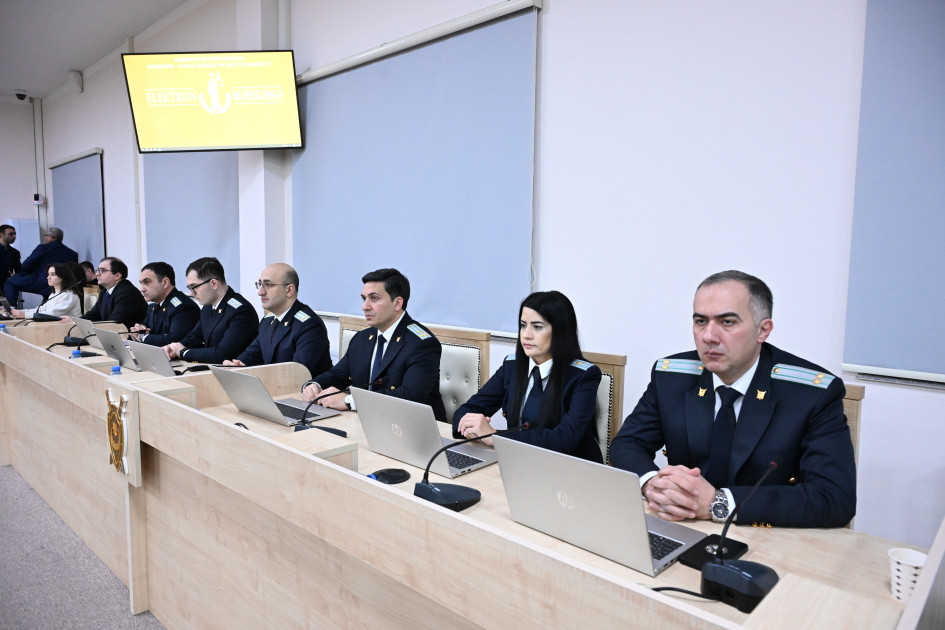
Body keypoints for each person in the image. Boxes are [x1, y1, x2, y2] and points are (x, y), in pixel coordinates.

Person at [609, 270, 856, 528]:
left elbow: (835, 498)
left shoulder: (812, 394)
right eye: (700, 321)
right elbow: (627, 443)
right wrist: (652, 484)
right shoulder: (671, 377)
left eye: (727, 322)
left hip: (765, 538)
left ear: (763, 330)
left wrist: (719, 503)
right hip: (682, 526)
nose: (708, 336)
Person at [454, 291, 603, 462]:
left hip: (570, 470)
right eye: (523, 325)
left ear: (561, 331)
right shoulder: (512, 366)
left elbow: (564, 439)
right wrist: (473, 428)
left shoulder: (583, 376)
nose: (526, 334)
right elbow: (467, 410)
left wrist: (495, 437)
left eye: (537, 327)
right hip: (521, 463)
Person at [301, 268, 446, 420]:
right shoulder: (362, 339)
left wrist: (350, 401)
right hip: (368, 420)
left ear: (397, 303)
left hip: (412, 427)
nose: (365, 306)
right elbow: (338, 374)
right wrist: (315, 385)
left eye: (374, 298)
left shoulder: (422, 344)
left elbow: (410, 397)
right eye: (364, 299)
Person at [223, 263, 332, 379]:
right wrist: (239, 365)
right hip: (275, 388)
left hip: (303, 394)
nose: (260, 292)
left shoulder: (310, 326)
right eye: (260, 284)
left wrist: (253, 373)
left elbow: (298, 375)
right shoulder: (268, 320)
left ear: (289, 290)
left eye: (268, 285)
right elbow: (253, 353)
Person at [164, 257, 258, 363]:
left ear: (213, 283)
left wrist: (183, 352)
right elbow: (196, 336)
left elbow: (222, 354)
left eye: (194, 287)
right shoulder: (208, 307)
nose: (191, 293)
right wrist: (175, 347)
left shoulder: (241, 311)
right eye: (189, 288)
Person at [129, 261, 200, 346]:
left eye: (147, 282)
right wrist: (137, 330)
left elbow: (174, 341)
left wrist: (142, 337)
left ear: (165, 282)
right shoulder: (153, 306)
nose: (141, 289)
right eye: (141, 283)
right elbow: (142, 330)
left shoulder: (183, 307)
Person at [4, 227, 78, 304]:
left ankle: (12, 309)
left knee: (10, 282)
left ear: (50, 237)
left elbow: (27, 265)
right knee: (47, 299)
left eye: (45, 236)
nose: (45, 238)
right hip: (62, 286)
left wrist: (19, 275)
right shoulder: (73, 254)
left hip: (42, 282)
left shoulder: (43, 248)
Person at [76, 257, 148, 329]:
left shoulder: (127, 293)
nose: (97, 274)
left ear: (117, 276)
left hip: (128, 338)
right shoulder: (104, 291)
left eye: (102, 270)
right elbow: (93, 314)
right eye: (97, 270)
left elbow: (114, 323)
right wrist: (75, 322)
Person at [10, 263, 82, 319]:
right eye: (48, 274)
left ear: (63, 276)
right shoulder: (54, 294)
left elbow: (53, 314)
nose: (48, 277)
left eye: (53, 274)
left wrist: (25, 315)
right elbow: (40, 310)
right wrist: (17, 312)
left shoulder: (69, 295)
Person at [0, 224, 22, 292]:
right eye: (11, 234)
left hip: (8, 288)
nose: (14, 236)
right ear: (1, 235)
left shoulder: (15, 253)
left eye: (15, 234)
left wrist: (15, 277)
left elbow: (19, 271)